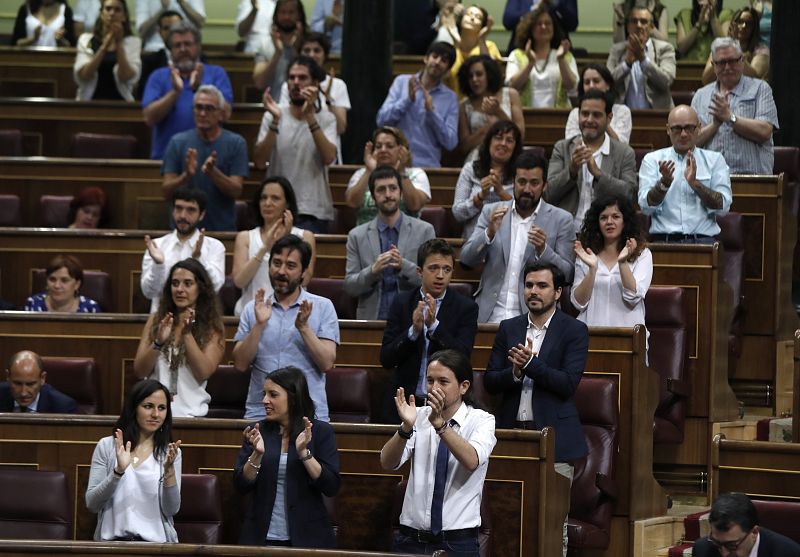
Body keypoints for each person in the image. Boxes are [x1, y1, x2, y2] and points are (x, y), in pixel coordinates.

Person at [484, 262, 588, 557]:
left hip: (554, 440)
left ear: (557, 292)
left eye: (541, 286)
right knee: (506, 518)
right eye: (529, 285)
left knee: (553, 523)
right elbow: (490, 381)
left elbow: (568, 383)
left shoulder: (575, 330)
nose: (533, 291)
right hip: (512, 436)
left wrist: (531, 364)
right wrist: (514, 373)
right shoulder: (509, 328)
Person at [381, 349, 496, 557]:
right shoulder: (417, 415)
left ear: (464, 386)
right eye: (430, 380)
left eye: (443, 381)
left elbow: (471, 460)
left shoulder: (482, 420)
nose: (434, 388)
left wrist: (440, 426)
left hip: (458, 543)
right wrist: (405, 429)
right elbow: (387, 462)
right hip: (410, 540)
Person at [233, 235, 339, 422]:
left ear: (303, 272)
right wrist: (259, 325)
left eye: (290, 266)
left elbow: (326, 363)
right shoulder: (252, 309)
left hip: (308, 415)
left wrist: (304, 328)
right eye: (276, 263)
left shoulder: (323, 307)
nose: (281, 271)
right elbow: (240, 364)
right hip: (261, 414)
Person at [460, 150, 575, 323]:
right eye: (521, 182)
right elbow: (466, 259)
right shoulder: (491, 211)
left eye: (534, 183)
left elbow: (568, 275)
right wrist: (488, 233)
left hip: (536, 319)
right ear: (513, 182)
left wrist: (544, 250)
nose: (527, 189)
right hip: (489, 315)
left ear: (545, 185)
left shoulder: (562, 219)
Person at [234, 366, 340, 547]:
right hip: (261, 537)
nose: (265, 400)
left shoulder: (320, 432)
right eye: (264, 394)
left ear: (293, 397)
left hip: (309, 539)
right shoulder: (257, 431)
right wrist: (257, 455)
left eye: (273, 395)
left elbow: (330, 486)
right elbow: (240, 485)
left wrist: (304, 454)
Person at [380, 240, 479, 423]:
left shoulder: (466, 308)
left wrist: (434, 326)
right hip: (405, 405)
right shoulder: (402, 303)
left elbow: (463, 356)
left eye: (446, 269)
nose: (440, 275)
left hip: (444, 407)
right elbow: (386, 358)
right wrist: (413, 331)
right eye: (433, 268)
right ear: (419, 271)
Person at [86, 379, 182, 542]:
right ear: (134, 408)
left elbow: (171, 509)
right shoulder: (107, 446)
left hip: (156, 547)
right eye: (148, 406)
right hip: (112, 547)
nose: (155, 414)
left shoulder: (171, 453)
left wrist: (169, 473)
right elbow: (92, 504)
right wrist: (117, 473)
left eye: (162, 408)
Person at [254, 56, 338, 234]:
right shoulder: (273, 114)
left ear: (315, 83)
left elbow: (329, 157)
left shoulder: (327, 118)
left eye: (302, 78)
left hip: (312, 211)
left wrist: (310, 117)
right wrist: (275, 121)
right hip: (276, 210)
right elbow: (260, 161)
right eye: (291, 78)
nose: (295, 83)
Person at [133, 259, 224, 418]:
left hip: (192, 416)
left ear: (200, 288)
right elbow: (140, 371)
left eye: (187, 283)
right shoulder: (156, 320)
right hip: (155, 416)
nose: (180, 289)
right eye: (175, 283)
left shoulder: (212, 327)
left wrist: (187, 335)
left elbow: (203, 372)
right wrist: (158, 342)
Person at [344, 166, 436, 320]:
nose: (388, 195)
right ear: (373, 197)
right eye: (381, 190)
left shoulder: (425, 231)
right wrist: (372, 271)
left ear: (400, 192)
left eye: (393, 188)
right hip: (372, 320)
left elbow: (433, 281)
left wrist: (403, 266)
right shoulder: (356, 235)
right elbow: (350, 287)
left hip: (413, 319)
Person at [546, 89, 638, 234]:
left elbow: (629, 194)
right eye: (585, 114)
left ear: (609, 118)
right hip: (566, 233)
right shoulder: (562, 148)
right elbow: (549, 193)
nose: (589, 120)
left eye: (596, 115)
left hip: (606, 236)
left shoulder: (624, 153)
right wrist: (571, 171)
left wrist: (599, 174)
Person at [638, 105, 731, 244]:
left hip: (703, 242)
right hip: (664, 242)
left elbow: (723, 206)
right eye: (677, 129)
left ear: (698, 128)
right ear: (668, 129)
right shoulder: (652, 160)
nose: (683, 134)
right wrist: (663, 184)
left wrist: (695, 184)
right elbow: (645, 207)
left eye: (689, 128)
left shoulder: (715, 160)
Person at [161, 84, 248, 232]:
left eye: (209, 108)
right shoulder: (177, 142)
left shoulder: (236, 143)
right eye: (198, 107)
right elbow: (166, 192)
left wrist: (213, 173)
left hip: (221, 231)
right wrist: (186, 176)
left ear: (221, 113)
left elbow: (236, 191)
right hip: (183, 232)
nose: (202, 113)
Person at [571, 194, 652, 353]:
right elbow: (578, 302)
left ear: (625, 220)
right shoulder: (587, 254)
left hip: (629, 341)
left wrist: (622, 263)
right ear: (597, 222)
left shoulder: (642, 254)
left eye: (616, 216)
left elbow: (633, 297)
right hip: (590, 338)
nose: (609, 222)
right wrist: (592, 269)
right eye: (603, 218)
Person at [142, 21, 233, 160]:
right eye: (177, 45)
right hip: (166, 159)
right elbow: (149, 118)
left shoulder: (216, 73)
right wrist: (175, 92)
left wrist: (198, 88)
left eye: (188, 44)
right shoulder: (158, 76)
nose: (183, 49)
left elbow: (225, 114)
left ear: (198, 47)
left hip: (208, 160)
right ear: (170, 50)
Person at [692, 37, 778, 175]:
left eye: (732, 61)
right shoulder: (700, 96)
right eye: (721, 63)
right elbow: (691, 141)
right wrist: (714, 125)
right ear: (713, 65)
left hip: (752, 180)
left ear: (742, 60)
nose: (727, 67)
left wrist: (730, 118)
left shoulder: (760, 89)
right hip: (710, 181)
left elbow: (765, 131)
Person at [232, 177, 317, 316]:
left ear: (287, 204)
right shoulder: (245, 237)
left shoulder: (305, 237)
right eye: (263, 198)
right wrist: (265, 247)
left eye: (275, 198)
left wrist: (286, 239)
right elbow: (239, 281)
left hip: (291, 314)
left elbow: (305, 279)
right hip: (251, 313)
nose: (267, 203)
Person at [140, 187, 225, 313]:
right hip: (162, 320)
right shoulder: (157, 246)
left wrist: (197, 259)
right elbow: (148, 292)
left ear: (201, 215)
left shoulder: (214, 247)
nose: (183, 216)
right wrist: (158, 265)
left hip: (200, 321)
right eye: (178, 208)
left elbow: (214, 288)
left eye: (191, 210)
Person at [376, 41, 459, 168]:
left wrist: (432, 113)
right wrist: (407, 100)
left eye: (444, 60)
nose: (437, 62)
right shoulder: (401, 82)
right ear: (426, 58)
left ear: (448, 70)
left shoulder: (450, 98)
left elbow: (451, 142)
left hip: (428, 166)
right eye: (435, 56)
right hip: (395, 164)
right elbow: (381, 120)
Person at [278, 32, 350, 157]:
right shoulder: (289, 85)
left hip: (327, 153)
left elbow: (340, 128)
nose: (312, 55)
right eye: (307, 50)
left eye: (317, 50)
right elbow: (285, 120)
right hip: (296, 150)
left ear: (325, 55)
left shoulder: (337, 85)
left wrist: (327, 98)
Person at [345, 126, 430, 226]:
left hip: (406, 235)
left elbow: (415, 205)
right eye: (378, 146)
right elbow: (352, 202)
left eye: (389, 146)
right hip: (366, 236)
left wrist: (401, 172)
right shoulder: (361, 174)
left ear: (401, 149)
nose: (383, 150)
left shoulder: (416, 174)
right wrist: (369, 171)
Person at [453, 120, 522, 240]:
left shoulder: (520, 174)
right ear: (489, 141)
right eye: (498, 138)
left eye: (509, 140)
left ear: (515, 147)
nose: (503, 143)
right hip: (474, 241)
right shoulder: (470, 169)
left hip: (509, 242)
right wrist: (480, 196)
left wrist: (501, 192)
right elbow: (458, 213)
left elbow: (526, 214)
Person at [505, 4, 577, 109]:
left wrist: (561, 60)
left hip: (559, 117)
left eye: (548, 23)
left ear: (554, 28)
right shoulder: (517, 55)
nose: (543, 27)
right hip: (524, 116)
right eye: (539, 24)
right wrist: (530, 64)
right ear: (530, 28)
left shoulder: (566, 56)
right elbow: (512, 87)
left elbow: (572, 88)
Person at [457, 54, 524, 162]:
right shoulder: (464, 105)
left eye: (479, 74)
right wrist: (486, 129)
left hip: (508, 155)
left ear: (489, 75)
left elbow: (520, 135)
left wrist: (498, 112)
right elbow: (464, 147)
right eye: (470, 76)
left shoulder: (511, 95)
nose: (474, 79)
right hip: (477, 157)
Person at [606, 6, 676, 110]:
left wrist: (643, 59)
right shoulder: (617, 50)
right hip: (622, 118)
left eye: (643, 22)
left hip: (657, 116)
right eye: (634, 21)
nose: (638, 25)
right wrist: (627, 64)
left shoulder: (664, 48)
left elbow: (666, 81)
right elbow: (606, 82)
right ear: (628, 26)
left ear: (652, 26)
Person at [692, 492, 800, 556]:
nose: (724, 554)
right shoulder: (703, 550)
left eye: (731, 545)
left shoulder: (788, 553)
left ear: (754, 532)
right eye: (717, 543)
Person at [74, 0, 141, 102]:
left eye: (117, 10)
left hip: (121, 103)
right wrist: (104, 47)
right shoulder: (85, 40)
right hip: (89, 102)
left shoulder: (133, 43)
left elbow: (125, 76)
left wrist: (119, 44)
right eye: (108, 9)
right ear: (101, 14)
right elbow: (84, 75)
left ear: (124, 16)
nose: (112, 13)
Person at [441, 4, 502, 98]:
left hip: (482, 105)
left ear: (482, 25)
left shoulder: (489, 46)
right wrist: (456, 42)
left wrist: (481, 40)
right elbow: (443, 79)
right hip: (455, 107)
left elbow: (492, 74)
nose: (472, 18)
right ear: (461, 20)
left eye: (478, 17)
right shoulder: (451, 49)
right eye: (469, 14)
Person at [564, 63, 632, 144]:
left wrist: (604, 122)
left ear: (608, 85)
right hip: (582, 155)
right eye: (587, 82)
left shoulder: (622, 111)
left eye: (596, 81)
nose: (591, 86)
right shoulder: (575, 113)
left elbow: (622, 148)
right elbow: (570, 145)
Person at [701, 7, 769, 84]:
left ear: (754, 27)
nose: (743, 26)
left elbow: (755, 80)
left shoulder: (761, 50)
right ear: (732, 25)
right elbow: (706, 80)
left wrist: (735, 48)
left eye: (749, 23)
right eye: (740, 22)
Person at [252, 0, 307, 94]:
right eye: (283, 12)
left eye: (291, 12)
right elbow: (259, 84)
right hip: (273, 105)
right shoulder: (265, 44)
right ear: (276, 15)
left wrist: (297, 48)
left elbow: (315, 79)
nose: (287, 17)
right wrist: (278, 53)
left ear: (299, 15)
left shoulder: (309, 44)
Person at [0, 350, 77, 413]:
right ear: (8, 377)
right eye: (17, 384)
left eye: (30, 384)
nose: (23, 393)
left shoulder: (63, 407)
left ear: (42, 378)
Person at [24, 254, 101, 313]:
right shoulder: (32, 304)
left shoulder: (90, 308)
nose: (57, 286)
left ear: (77, 284)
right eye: (52, 279)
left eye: (64, 280)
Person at [137, 10, 185, 98]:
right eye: (166, 28)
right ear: (160, 32)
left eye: (176, 27)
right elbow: (143, 93)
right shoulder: (150, 62)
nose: (171, 32)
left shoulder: (198, 58)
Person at [502, 0, 578, 55]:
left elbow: (572, 25)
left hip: (559, 51)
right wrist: (535, 10)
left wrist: (556, 4)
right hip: (522, 50)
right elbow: (508, 22)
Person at [136, 0, 205, 53]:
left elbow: (200, 23)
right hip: (154, 50)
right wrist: (162, 9)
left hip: (185, 47)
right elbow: (142, 32)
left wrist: (182, 3)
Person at [11, 0, 75, 47]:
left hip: (57, 60)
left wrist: (60, 40)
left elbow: (71, 46)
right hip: (27, 58)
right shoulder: (25, 9)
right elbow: (15, 43)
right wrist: (33, 39)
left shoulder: (66, 11)